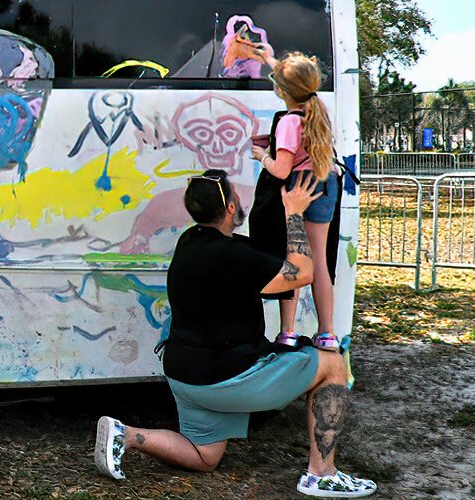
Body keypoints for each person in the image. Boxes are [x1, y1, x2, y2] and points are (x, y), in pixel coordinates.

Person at [93, 170, 377, 498]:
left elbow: (257, 256)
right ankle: (322, 474)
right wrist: (295, 212)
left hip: (184, 376)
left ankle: (125, 435)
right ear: (230, 208)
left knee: (205, 457)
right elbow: (302, 274)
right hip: (224, 379)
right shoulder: (232, 255)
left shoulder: (190, 242)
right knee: (332, 363)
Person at [252, 53, 342, 352]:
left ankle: (287, 332)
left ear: (280, 91)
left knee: (291, 259)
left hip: (297, 190)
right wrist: (268, 58)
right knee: (320, 261)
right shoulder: (318, 109)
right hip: (324, 183)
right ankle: (327, 332)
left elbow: (281, 169)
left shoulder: (289, 121)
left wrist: (262, 155)